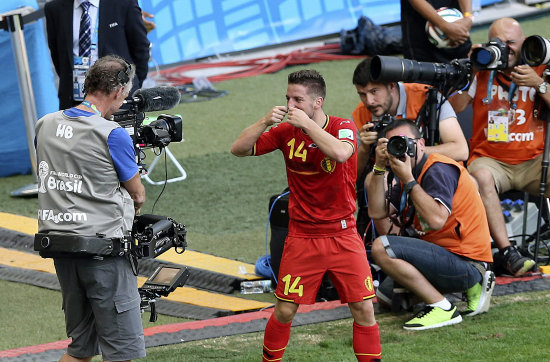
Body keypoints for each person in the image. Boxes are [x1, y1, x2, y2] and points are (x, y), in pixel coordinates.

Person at [231, 69, 382, 361]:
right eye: (288, 98)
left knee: (363, 308)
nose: (290, 106)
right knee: (285, 309)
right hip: (302, 236)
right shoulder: (285, 131)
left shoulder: (343, 126)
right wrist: (264, 121)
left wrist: (307, 127)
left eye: (298, 100)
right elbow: (238, 149)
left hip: (343, 235)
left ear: (317, 102)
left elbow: (340, 153)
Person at [35, 55, 146, 361]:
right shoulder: (112, 133)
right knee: (123, 351)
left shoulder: (45, 123)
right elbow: (137, 194)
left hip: (60, 247)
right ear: (118, 91)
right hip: (103, 251)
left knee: (81, 348)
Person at [365, 119, 494, 330]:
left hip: (467, 262)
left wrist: (408, 180)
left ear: (422, 144)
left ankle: (443, 307)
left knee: (382, 248)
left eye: (406, 141)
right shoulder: (405, 173)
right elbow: (377, 211)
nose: (401, 148)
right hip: (442, 255)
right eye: (394, 143)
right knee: (388, 299)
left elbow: (436, 220)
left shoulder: (438, 168)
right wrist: (379, 167)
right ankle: (458, 290)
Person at [450, 17, 548, 276]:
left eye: (510, 42)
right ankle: (508, 253)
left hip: (535, 160)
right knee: (479, 176)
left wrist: (539, 85)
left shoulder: (541, 68)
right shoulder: (482, 69)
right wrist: (470, 68)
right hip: (491, 161)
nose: (505, 49)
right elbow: (454, 107)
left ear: (524, 43)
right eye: (498, 43)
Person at [352, 57, 469, 237]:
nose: (369, 101)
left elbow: (460, 149)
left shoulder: (428, 97)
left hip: (433, 171)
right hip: (392, 177)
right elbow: (352, 174)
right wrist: (364, 149)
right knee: (371, 180)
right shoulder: (362, 112)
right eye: (362, 94)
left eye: (374, 91)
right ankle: (394, 247)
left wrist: (409, 152)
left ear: (391, 86)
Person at [45, 0, 150, 110]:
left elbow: (141, 49)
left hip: (118, 98)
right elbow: (57, 55)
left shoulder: (123, 3)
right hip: (74, 100)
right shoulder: (54, 9)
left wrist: (128, 85)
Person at [401, 0, 473, 63]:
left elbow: (468, 16)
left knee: (466, 72)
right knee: (423, 75)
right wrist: (445, 26)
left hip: (457, 29)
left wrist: (468, 17)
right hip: (420, 36)